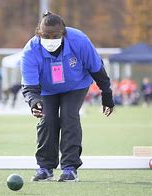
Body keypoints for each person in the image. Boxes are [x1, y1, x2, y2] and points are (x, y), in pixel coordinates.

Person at [20, 11, 114, 182]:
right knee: (47, 120)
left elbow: (97, 69)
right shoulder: (30, 51)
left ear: (63, 33)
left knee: (69, 116)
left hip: (76, 85)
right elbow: (30, 87)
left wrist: (107, 95)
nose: (50, 40)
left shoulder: (79, 41)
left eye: (55, 36)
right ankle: (45, 167)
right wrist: (34, 102)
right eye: (45, 36)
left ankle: (70, 168)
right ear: (38, 34)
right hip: (46, 90)